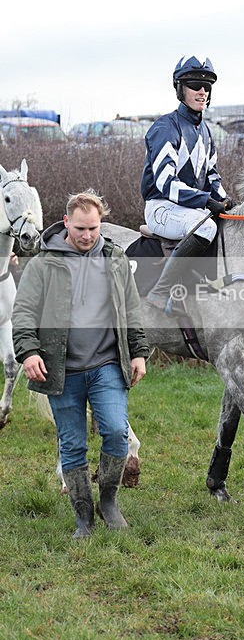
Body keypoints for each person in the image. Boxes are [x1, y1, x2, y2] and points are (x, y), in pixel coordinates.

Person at [12, 191, 149, 539]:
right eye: (80, 228)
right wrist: (29, 352)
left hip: (106, 365)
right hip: (61, 369)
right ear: (66, 222)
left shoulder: (115, 259)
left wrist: (138, 352)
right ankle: (83, 517)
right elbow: (23, 313)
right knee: (72, 445)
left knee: (116, 432)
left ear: (101, 224)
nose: (87, 235)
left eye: (93, 228)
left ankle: (109, 502)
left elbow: (131, 310)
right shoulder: (42, 264)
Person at [141, 54, 233, 310]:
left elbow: (212, 175)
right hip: (161, 207)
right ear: (180, 89)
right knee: (206, 228)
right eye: (195, 85)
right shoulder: (165, 127)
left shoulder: (206, 132)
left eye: (207, 86)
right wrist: (206, 201)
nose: (202, 91)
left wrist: (225, 200)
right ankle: (160, 291)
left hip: (190, 209)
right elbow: (166, 182)